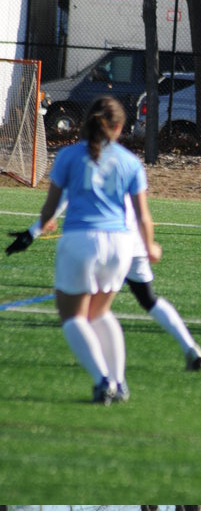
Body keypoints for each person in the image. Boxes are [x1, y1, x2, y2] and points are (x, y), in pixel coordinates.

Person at [34, 96, 163, 404]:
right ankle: (119, 382)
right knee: (100, 313)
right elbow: (143, 216)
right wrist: (149, 246)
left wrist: (42, 223)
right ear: (118, 128)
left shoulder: (68, 155)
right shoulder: (130, 161)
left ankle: (103, 380)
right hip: (120, 245)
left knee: (73, 317)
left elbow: (51, 206)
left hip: (81, 240)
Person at [6, 196, 201, 374]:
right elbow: (141, 211)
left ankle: (104, 372)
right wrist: (149, 244)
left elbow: (62, 198)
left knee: (90, 311)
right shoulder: (129, 167)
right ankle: (189, 347)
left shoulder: (80, 165)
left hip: (105, 242)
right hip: (134, 241)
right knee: (147, 298)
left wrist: (32, 232)